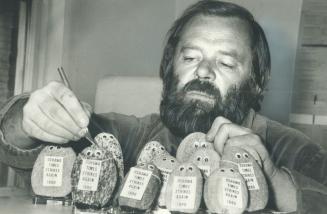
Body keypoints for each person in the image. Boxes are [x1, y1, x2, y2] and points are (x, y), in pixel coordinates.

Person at [0, 0, 326, 213]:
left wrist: (269, 176)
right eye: (190, 58)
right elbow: (16, 140)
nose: (202, 71)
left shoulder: (292, 149)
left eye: (225, 63)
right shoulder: (138, 137)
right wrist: (29, 118)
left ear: (255, 83)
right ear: (169, 70)